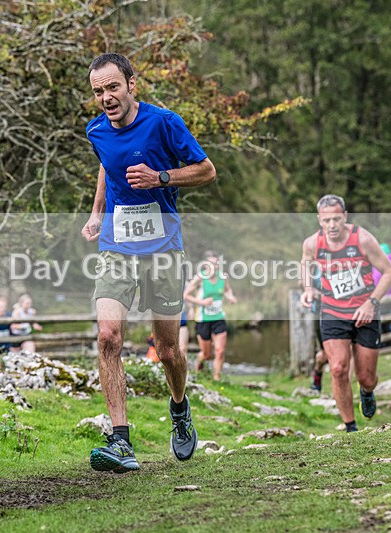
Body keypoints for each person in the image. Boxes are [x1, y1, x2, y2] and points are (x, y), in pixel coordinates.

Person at [81, 52, 215, 473]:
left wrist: (161, 178)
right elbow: (107, 165)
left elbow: (207, 170)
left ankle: (179, 408)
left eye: (113, 87)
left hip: (163, 247)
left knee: (169, 350)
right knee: (107, 337)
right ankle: (121, 441)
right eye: (98, 91)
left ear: (132, 85)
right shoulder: (96, 130)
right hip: (116, 245)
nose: (106, 97)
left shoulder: (164, 122)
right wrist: (97, 211)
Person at [300, 194, 391, 433]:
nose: (331, 226)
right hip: (332, 310)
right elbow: (304, 264)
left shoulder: (362, 239)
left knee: (366, 377)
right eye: (326, 221)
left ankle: (367, 391)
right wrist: (309, 289)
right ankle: (350, 427)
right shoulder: (312, 243)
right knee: (338, 368)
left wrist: (371, 303)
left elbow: (388, 272)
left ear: (344, 216)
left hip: (365, 310)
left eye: (336, 219)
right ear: (319, 220)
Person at [183, 251, 237, 381]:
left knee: (220, 351)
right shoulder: (200, 278)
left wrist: (230, 296)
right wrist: (201, 302)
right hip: (203, 319)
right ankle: (199, 362)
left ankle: (216, 377)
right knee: (206, 354)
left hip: (218, 317)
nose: (214, 266)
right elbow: (186, 295)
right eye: (211, 263)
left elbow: (227, 290)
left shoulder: (223, 277)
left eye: (216, 263)